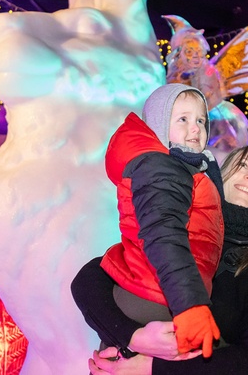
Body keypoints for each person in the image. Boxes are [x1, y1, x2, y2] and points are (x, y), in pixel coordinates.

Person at [73, 145, 248, 374]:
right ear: (220, 176)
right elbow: (90, 279)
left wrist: (153, 368)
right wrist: (133, 337)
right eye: (243, 165)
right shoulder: (184, 228)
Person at [100, 83, 225, 358]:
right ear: (157, 124)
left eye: (201, 120)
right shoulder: (162, 166)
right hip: (156, 297)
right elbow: (163, 233)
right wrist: (190, 305)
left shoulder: (176, 167)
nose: (195, 128)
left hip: (162, 292)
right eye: (182, 119)